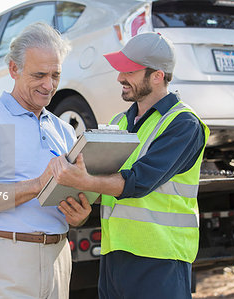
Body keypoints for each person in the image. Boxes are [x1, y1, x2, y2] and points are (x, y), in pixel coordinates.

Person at [48, 32, 209, 299]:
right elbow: (104, 186)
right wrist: (83, 207)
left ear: (157, 76)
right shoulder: (121, 122)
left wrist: (82, 181)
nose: (120, 77)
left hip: (160, 260)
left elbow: (138, 181)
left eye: (129, 71)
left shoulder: (183, 124)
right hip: (114, 257)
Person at [0, 22, 91, 299]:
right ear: (14, 69)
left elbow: (69, 198)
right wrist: (38, 184)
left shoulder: (64, 130)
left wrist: (80, 214)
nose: (49, 85)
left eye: (56, 75)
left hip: (58, 258)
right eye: (39, 74)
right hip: (2, 258)